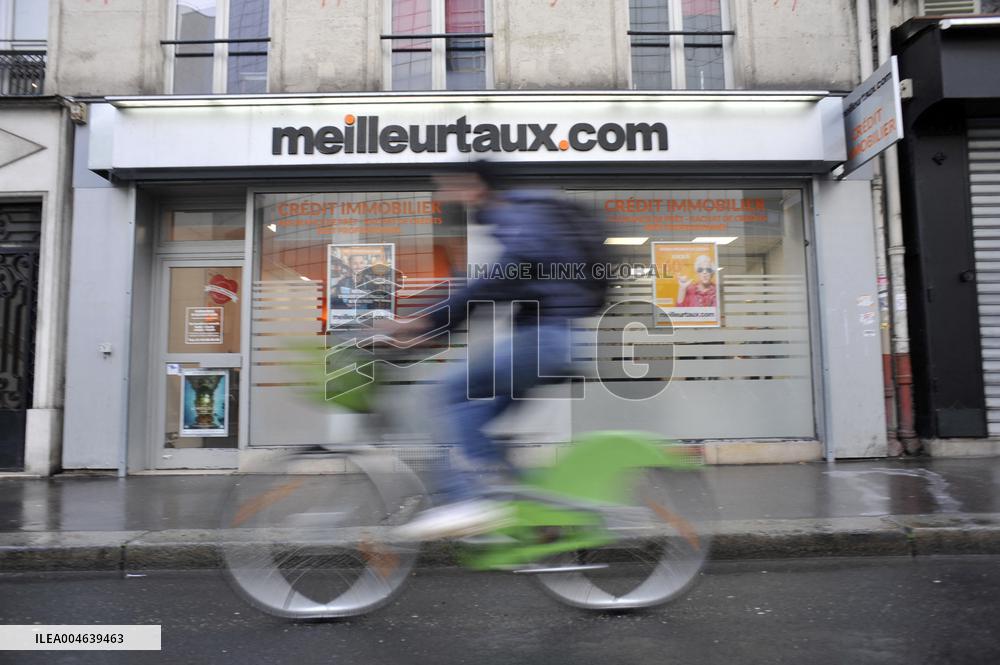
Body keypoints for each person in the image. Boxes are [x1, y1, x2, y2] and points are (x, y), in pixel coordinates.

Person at [389, 161, 608, 541]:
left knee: (445, 392)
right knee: (476, 427)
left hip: (546, 340)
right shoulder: (521, 217)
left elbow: (504, 276)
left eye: (449, 187)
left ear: (473, 185)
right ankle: (540, 513)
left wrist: (429, 322)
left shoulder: (519, 214)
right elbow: (491, 285)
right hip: (554, 339)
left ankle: (463, 503)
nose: (444, 197)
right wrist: (432, 323)